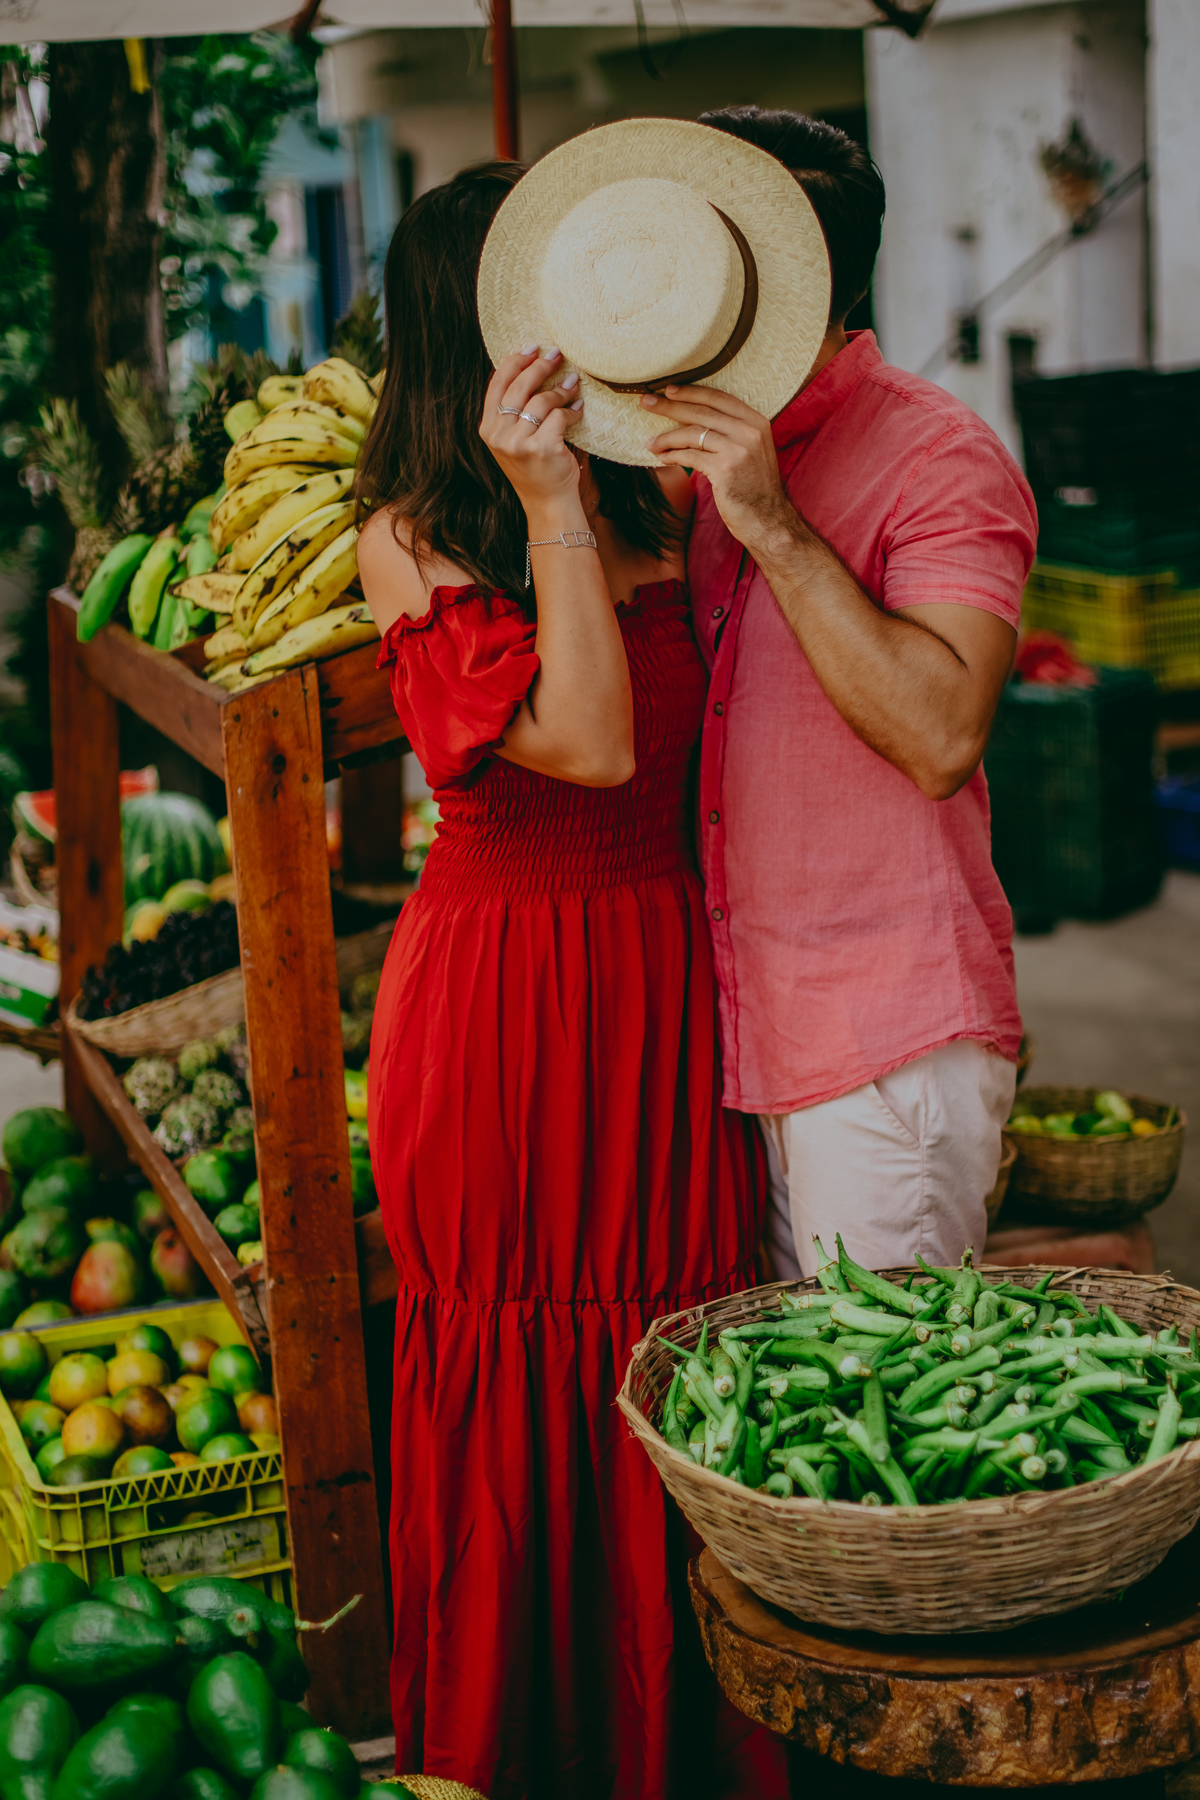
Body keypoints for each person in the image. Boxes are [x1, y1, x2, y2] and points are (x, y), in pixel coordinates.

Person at [355, 143, 819, 1800]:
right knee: (520, 1375)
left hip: (663, 980)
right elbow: (597, 742)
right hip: (504, 1004)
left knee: (667, 1359)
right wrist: (548, 504)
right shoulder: (408, 539)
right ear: (476, 330)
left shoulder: (652, 500)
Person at [641, 107, 1035, 1283]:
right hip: (750, 1026)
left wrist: (771, 523)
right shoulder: (710, 454)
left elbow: (941, 735)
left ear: (784, 284)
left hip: (886, 1039)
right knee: (783, 1389)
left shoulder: (941, 456)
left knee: (880, 1391)